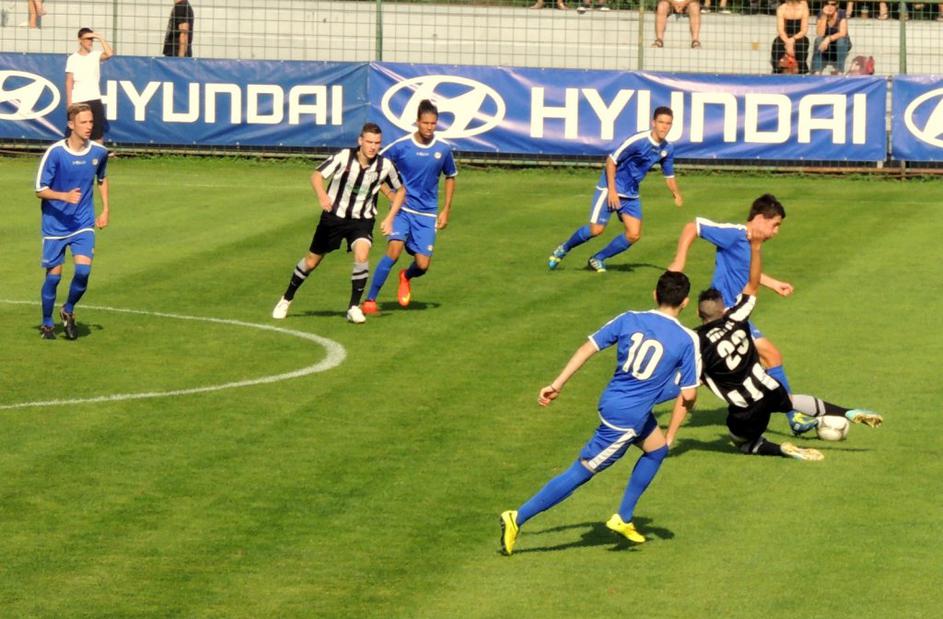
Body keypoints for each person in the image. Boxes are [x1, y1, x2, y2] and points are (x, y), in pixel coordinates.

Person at [499, 271, 700, 555]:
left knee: (657, 450)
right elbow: (689, 394)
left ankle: (624, 517)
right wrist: (679, 413)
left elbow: (588, 348)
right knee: (581, 471)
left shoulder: (629, 318)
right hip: (626, 420)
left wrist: (557, 384)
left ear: (655, 294)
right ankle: (517, 517)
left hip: (613, 403)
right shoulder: (687, 339)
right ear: (686, 302)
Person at [665, 234, 882, 460]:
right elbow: (752, 284)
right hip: (770, 389)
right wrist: (756, 248)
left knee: (741, 442)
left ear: (698, 313)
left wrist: (670, 436)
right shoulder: (737, 317)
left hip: (746, 410)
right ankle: (847, 412)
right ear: (724, 310)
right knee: (791, 401)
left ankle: (781, 450)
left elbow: (687, 396)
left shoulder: (695, 342)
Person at [666, 194, 819, 436]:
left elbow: (744, 270)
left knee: (705, 374)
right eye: (775, 224)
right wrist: (680, 260)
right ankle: (794, 417)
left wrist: (773, 283)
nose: (776, 231)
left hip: (737, 315)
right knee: (770, 356)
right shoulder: (735, 234)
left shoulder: (750, 244)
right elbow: (692, 226)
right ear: (759, 218)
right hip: (724, 316)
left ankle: (648, 392)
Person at [272, 123, 405, 324]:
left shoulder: (385, 165)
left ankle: (353, 307)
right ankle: (286, 298)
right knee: (311, 261)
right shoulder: (344, 157)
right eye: (369, 142)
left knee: (362, 255)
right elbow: (316, 175)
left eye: (377, 143)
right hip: (333, 218)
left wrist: (390, 218)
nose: (372, 147)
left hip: (362, 220)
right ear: (360, 141)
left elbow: (401, 190)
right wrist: (322, 195)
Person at [548, 107, 682, 273]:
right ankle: (563, 248)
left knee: (633, 234)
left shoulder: (667, 148)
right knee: (596, 230)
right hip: (609, 188)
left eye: (668, 123)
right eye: (661, 122)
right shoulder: (638, 141)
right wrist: (612, 191)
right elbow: (611, 161)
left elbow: (669, 175)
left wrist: (676, 193)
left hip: (631, 193)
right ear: (653, 122)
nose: (664, 126)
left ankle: (598, 258)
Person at [361, 99, 457, 314]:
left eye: (433, 123)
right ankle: (370, 300)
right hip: (402, 211)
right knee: (394, 250)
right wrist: (390, 194)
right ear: (417, 122)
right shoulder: (401, 146)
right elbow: (376, 167)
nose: (429, 128)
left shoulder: (443, 149)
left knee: (422, 265)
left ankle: (405, 276)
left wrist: (446, 209)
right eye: (425, 123)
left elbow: (450, 176)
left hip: (427, 214)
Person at [34, 103, 110, 340]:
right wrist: (63, 196)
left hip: (82, 222)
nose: (88, 126)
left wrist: (105, 209)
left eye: (91, 122)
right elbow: (40, 190)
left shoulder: (99, 152)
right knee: (54, 277)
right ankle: (47, 323)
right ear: (71, 125)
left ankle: (68, 309)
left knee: (83, 271)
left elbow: (102, 179)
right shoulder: (56, 153)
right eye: (83, 122)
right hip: (55, 224)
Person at [65, 28, 114, 144]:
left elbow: (109, 54)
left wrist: (99, 37)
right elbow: (69, 81)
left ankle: (98, 154)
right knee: (76, 133)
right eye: (87, 39)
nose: (90, 42)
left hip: (94, 98)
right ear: (80, 40)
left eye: (92, 39)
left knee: (97, 133)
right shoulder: (72, 58)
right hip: (78, 100)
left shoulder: (95, 55)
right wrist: (69, 103)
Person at [811, 1, 852, 74]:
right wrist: (824, 16)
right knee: (818, 40)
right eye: (826, 4)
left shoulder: (841, 13)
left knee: (841, 41)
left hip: (842, 44)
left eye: (833, 4)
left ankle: (840, 71)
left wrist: (828, 39)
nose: (829, 7)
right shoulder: (821, 14)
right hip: (827, 46)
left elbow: (843, 33)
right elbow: (820, 34)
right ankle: (817, 71)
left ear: (837, 5)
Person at [771, 0, 810, 74]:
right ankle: (777, 71)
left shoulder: (803, 8)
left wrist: (793, 39)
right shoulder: (781, 8)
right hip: (784, 36)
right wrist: (787, 42)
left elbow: (804, 30)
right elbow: (780, 30)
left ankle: (801, 71)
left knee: (801, 45)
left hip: (799, 36)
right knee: (777, 44)